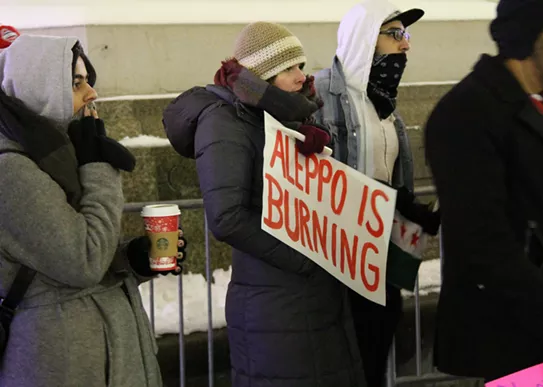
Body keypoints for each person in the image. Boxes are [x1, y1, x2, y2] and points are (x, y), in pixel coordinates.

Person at [163, 21, 366, 387]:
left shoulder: (286, 117)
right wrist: (305, 256)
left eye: (301, 66)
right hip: (274, 302)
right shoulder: (226, 120)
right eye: (290, 68)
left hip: (310, 295)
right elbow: (226, 217)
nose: (302, 77)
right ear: (263, 74)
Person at [0, 34, 186, 386]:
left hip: (102, 348)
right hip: (61, 358)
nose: (91, 93)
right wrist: (99, 167)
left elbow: (68, 251)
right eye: (75, 83)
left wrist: (130, 259)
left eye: (88, 81)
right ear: (38, 86)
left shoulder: (60, 152)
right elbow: (83, 261)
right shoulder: (10, 170)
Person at [424, 0, 543, 384]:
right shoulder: (468, 112)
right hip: (514, 340)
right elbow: (484, 244)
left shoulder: (537, 107)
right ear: (529, 32)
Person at [314, 1, 439, 385]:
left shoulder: (385, 108)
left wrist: (409, 206)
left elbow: (387, 179)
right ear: (365, 38)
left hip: (379, 258)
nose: (406, 46)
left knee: (375, 354)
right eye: (395, 34)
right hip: (335, 260)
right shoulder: (319, 96)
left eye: (407, 36)